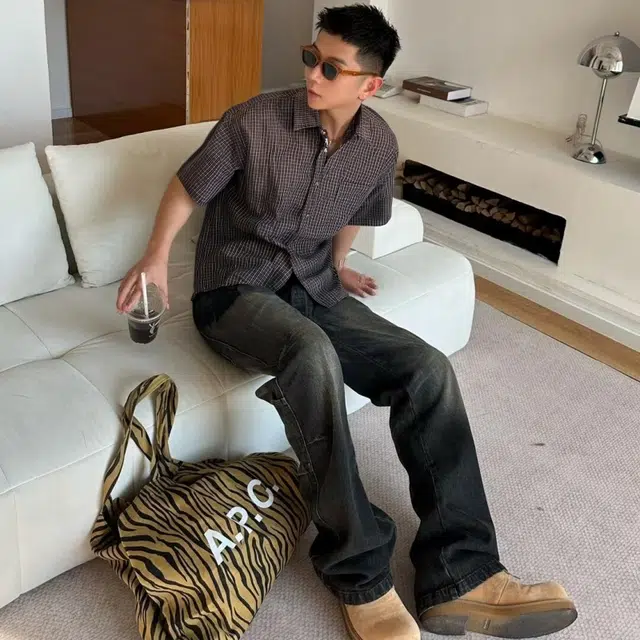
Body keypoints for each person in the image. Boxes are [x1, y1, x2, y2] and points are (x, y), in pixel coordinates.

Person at [117, 5, 578, 639]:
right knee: (312, 353)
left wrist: (339, 264)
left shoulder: (378, 145)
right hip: (234, 290)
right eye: (312, 58)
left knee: (426, 368)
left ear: (370, 85)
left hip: (314, 286)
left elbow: (358, 207)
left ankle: (462, 573)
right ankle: (360, 573)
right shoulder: (253, 121)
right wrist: (155, 258)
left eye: (332, 68)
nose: (313, 74)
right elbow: (188, 186)